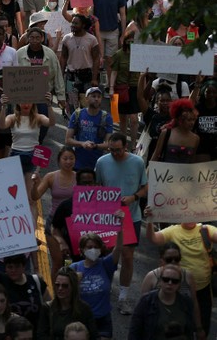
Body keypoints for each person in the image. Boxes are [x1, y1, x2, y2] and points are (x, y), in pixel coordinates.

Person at [94, 133, 147, 315]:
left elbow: (145, 186)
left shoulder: (137, 163)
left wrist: (134, 197)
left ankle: (123, 297)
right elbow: (97, 187)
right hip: (108, 217)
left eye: (118, 150)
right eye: (111, 150)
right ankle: (104, 291)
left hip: (131, 217)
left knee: (127, 256)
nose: (115, 153)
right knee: (107, 256)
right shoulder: (101, 162)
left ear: (126, 147)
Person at [143, 208, 214, 337]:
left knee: (203, 327)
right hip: (180, 288)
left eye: (193, 212)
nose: (189, 216)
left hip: (203, 289)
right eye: (186, 213)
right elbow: (153, 239)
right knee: (181, 328)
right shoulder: (173, 230)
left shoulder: (205, 229)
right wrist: (149, 220)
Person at [69, 223, 124, 339]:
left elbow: (118, 248)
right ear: (82, 250)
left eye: (96, 247)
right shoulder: (74, 268)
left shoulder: (106, 264)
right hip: (81, 321)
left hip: (103, 320)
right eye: (89, 247)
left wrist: (120, 226)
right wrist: (75, 282)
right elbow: (64, 293)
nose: (93, 250)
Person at [31, 147, 77, 278]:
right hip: (54, 223)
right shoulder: (51, 177)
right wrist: (34, 184)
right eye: (65, 159)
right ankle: (54, 296)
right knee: (57, 263)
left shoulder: (79, 178)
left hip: (73, 224)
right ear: (59, 161)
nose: (68, 162)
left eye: (71, 159)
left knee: (70, 264)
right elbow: (35, 196)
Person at [0, 252, 49, 333]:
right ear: (5, 268)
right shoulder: (0, 280)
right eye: (10, 267)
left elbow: (49, 307)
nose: (13, 270)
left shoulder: (36, 282)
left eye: (17, 266)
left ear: (24, 267)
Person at [128, 263, 196, 339]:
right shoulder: (146, 301)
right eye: (166, 279)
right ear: (160, 281)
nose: (170, 283)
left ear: (179, 284)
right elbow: (134, 331)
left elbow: (189, 332)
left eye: (175, 281)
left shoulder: (187, 303)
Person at [65, 87, 114, 171]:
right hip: (78, 163)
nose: (96, 99)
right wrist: (82, 144)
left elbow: (109, 144)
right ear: (86, 99)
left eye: (99, 97)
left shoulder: (106, 117)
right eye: (93, 96)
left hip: (97, 164)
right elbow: (68, 140)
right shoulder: (77, 114)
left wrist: (95, 146)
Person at [150, 98, 200, 163]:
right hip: (165, 172)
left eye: (194, 119)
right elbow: (155, 156)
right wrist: (148, 171)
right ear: (180, 120)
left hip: (185, 172)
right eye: (189, 120)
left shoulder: (196, 138)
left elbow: (192, 161)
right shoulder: (166, 133)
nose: (192, 123)